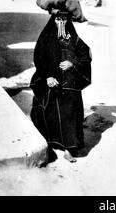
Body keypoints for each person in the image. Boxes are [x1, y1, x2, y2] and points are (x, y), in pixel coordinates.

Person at [30, 9, 91, 163]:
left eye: (64, 19)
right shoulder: (46, 36)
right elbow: (39, 58)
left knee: (71, 115)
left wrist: (73, 63)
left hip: (70, 85)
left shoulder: (74, 39)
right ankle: (49, 146)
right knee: (48, 112)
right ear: (53, 20)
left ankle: (70, 150)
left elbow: (86, 55)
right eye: (58, 19)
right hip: (51, 83)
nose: (61, 23)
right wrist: (47, 76)